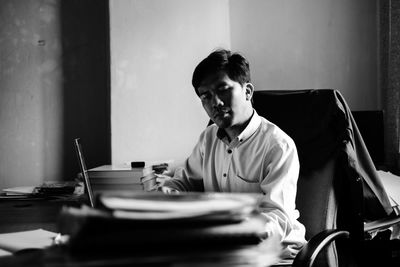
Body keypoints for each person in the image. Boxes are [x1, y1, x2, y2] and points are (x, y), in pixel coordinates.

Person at [161, 49, 306, 258]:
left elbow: (278, 219)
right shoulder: (208, 138)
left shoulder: (278, 145)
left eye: (223, 90)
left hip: (273, 253)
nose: (215, 103)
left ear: (247, 92)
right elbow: (182, 182)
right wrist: (165, 199)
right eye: (206, 96)